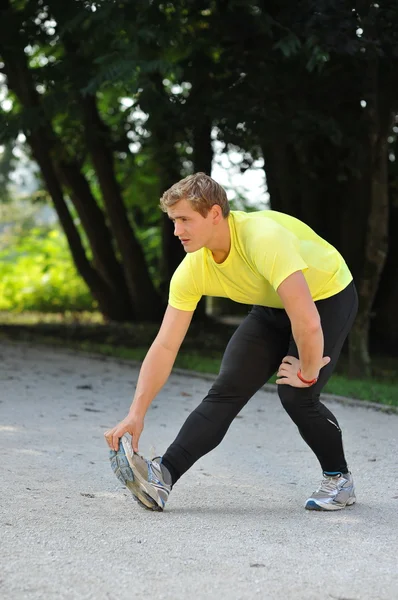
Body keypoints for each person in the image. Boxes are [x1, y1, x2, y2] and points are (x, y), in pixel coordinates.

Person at [104, 172, 358, 512]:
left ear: (213, 214)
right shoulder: (194, 268)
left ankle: (339, 479)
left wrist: (309, 371)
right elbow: (165, 345)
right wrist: (136, 413)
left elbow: (308, 322)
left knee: (297, 394)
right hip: (272, 307)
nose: (177, 231)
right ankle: (162, 476)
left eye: (184, 220)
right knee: (227, 388)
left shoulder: (262, 239)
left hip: (326, 296)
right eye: (173, 221)